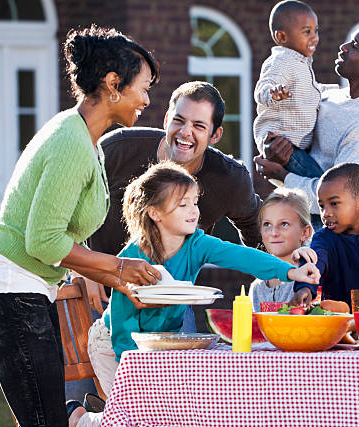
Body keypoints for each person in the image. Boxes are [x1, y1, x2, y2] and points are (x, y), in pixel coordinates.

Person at [0, 25, 162, 427]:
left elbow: (62, 241)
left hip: (24, 289)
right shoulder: (71, 142)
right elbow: (44, 240)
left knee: (47, 416)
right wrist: (118, 267)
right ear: (112, 84)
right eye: (142, 87)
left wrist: (118, 280)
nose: (146, 98)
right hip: (7, 290)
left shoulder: (85, 139)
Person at [69, 161, 320, 426]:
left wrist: (290, 272)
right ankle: (79, 418)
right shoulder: (134, 256)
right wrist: (129, 366)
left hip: (160, 344)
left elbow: (240, 256)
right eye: (182, 205)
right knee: (130, 419)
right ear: (155, 213)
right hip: (115, 344)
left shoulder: (197, 244)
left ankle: (95, 413)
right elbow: (123, 317)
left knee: (158, 417)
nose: (193, 211)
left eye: (194, 202)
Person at [85, 81, 263, 319]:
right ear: (167, 119)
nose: (185, 132)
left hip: (171, 302)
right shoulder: (117, 149)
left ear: (215, 134)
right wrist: (83, 270)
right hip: (100, 294)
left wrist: (289, 270)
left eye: (199, 126)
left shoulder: (229, 178)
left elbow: (259, 232)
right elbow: (67, 206)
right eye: (179, 120)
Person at [255, 23, 359, 228]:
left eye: (354, 46)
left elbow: (342, 196)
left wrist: (281, 175)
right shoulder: (327, 96)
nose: (343, 47)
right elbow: (298, 153)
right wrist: (273, 151)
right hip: (303, 220)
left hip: (341, 239)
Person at [290, 163, 359, 308]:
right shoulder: (324, 238)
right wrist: (305, 288)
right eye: (322, 206)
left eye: (334, 203)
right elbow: (315, 262)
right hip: (340, 323)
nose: (325, 213)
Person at [253, 0, 325, 179]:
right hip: (282, 144)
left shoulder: (301, 62)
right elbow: (263, 86)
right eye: (307, 32)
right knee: (318, 180)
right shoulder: (282, 61)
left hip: (297, 143)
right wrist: (273, 93)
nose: (314, 37)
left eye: (316, 31)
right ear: (282, 37)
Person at [249, 188, 315, 311]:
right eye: (267, 224)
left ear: (305, 232)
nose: (273, 233)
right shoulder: (257, 287)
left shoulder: (312, 277)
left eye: (284, 224)